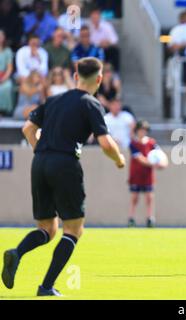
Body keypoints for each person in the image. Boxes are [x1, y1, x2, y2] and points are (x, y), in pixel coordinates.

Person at [1, 57, 126, 296]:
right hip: (65, 163)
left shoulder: (54, 100)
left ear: (76, 76)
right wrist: (119, 159)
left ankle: (17, 253)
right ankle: (45, 287)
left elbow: (27, 128)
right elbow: (105, 143)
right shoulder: (91, 104)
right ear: (99, 79)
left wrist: (40, 151)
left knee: (48, 228)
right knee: (74, 229)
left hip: (39, 162)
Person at [128, 120, 165, 228]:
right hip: (136, 174)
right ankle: (131, 218)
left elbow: (160, 154)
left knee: (149, 197)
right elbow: (140, 158)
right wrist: (154, 164)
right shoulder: (133, 143)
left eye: (144, 130)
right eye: (140, 130)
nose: (142, 132)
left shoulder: (151, 143)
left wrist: (163, 163)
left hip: (148, 175)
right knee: (135, 197)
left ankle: (150, 218)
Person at [0, 30, 14, 115]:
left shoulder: (8, 50)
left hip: (4, 76)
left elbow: (9, 68)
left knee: (7, 86)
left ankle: (2, 111)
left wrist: (3, 79)